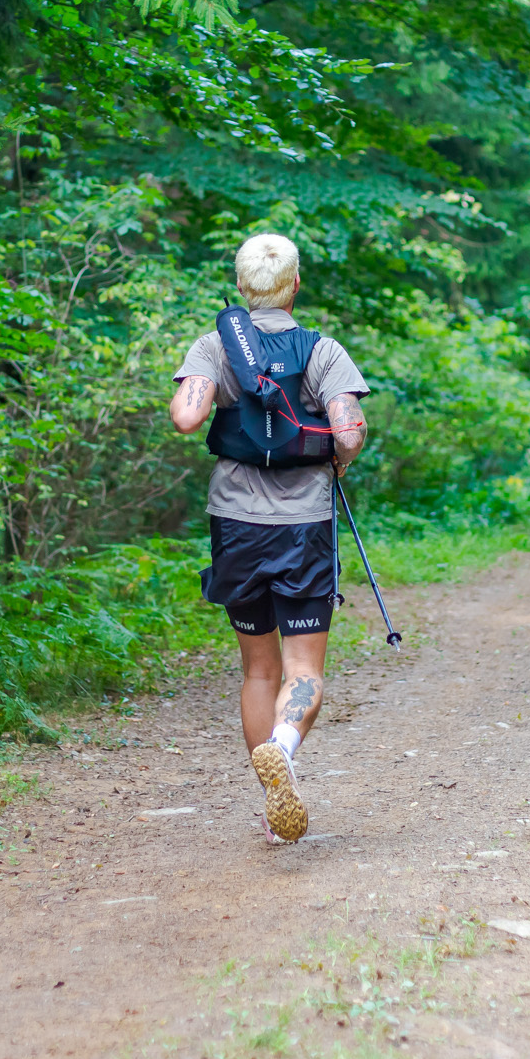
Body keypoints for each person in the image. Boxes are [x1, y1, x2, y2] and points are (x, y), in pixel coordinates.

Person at [168, 235, 370, 844]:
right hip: (303, 525)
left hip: (234, 524)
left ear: (240, 286)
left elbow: (186, 417)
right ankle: (282, 747)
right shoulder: (322, 350)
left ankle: (271, 804)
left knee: (258, 670)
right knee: (303, 667)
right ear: (295, 285)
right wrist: (338, 460)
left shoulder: (213, 346)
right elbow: (349, 434)